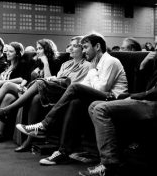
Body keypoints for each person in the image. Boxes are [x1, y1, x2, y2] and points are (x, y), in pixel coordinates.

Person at [13, 33, 128, 165]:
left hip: (114, 98)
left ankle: (44, 125)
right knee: (74, 102)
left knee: (74, 88)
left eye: (85, 47)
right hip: (100, 97)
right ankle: (63, 152)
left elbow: (102, 89)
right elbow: (85, 86)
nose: (84, 51)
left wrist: (91, 72)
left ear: (97, 46)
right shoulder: (95, 63)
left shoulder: (110, 61)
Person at [0, 36, 91, 150]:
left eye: (74, 46)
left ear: (83, 49)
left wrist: (49, 71)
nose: (70, 48)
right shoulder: (65, 64)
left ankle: (6, 111)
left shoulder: (86, 65)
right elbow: (54, 79)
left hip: (65, 93)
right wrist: (54, 79)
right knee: (35, 98)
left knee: (37, 83)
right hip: (50, 89)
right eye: (70, 46)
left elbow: (73, 86)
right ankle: (28, 141)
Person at [79, 51, 157, 176]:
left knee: (100, 109)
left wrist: (133, 97)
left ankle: (109, 165)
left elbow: (152, 92)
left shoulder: (110, 61)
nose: (155, 50)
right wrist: (143, 66)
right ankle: (115, 156)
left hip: (152, 104)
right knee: (94, 106)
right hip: (145, 99)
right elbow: (143, 87)